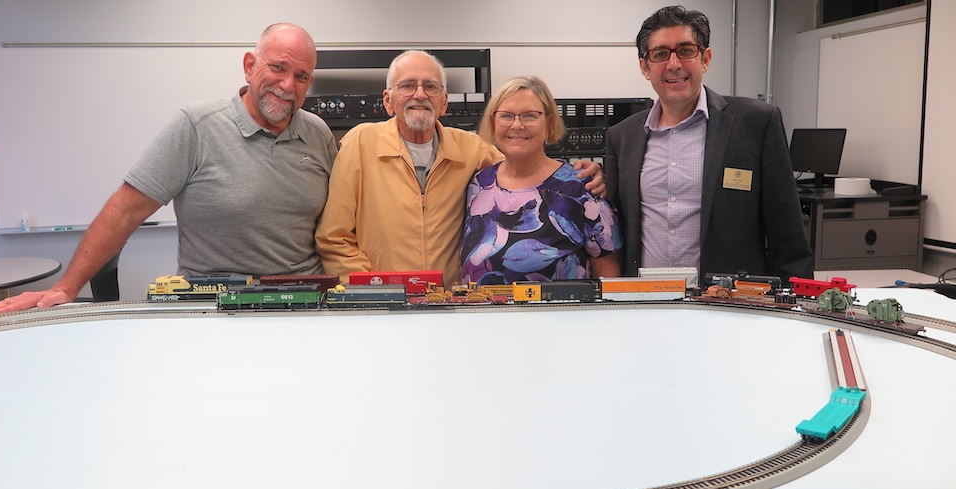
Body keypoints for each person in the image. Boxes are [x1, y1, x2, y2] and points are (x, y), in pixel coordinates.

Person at [0, 23, 336, 316]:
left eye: (301, 76)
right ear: (249, 65)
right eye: (278, 68)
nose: (288, 85)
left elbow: (340, 226)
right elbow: (126, 209)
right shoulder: (198, 125)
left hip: (304, 306)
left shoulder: (318, 133)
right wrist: (65, 287)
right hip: (216, 307)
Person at [315, 50, 604, 288]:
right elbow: (334, 238)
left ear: (444, 102)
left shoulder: (473, 150)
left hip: (450, 303)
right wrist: (375, 287)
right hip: (381, 301)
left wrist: (579, 173)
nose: (420, 94)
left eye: (431, 86)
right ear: (388, 101)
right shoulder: (360, 144)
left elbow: (523, 166)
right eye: (407, 86)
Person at [604, 5, 813, 284]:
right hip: (647, 302)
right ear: (645, 66)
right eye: (660, 54)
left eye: (686, 50)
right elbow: (614, 226)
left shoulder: (756, 122)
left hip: (730, 303)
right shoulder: (622, 136)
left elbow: (788, 235)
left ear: (705, 58)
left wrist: (795, 307)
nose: (674, 64)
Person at [461, 77, 622, 284]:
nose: (517, 125)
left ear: (549, 122)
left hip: (563, 316)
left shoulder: (582, 188)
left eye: (529, 116)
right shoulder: (478, 184)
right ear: (493, 122)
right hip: (481, 315)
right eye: (506, 116)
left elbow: (608, 276)